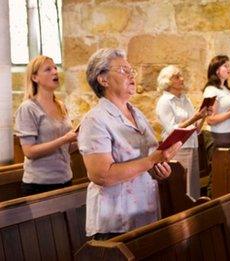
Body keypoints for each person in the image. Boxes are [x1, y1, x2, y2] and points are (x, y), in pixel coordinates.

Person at [78, 48, 181, 240]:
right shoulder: (95, 120)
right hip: (115, 221)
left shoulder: (137, 113)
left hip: (144, 213)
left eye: (131, 70)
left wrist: (159, 169)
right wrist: (151, 161)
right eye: (124, 70)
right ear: (103, 79)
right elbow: (101, 175)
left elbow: (146, 160)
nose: (132, 75)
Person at [14, 55, 77, 196]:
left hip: (65, 178)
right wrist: (65, 139)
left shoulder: (60, 105)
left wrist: (79, 139)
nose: (55, 72)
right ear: (35, 78)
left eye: (55, 68)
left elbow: (64, 148)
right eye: (48, 69)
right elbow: (29, 152)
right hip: (39, 185)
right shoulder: (28, 108)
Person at [156, 65, 212, 200]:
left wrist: (204, 115)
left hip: (192, 145)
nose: (182, 79)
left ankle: (194, 214)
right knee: (181, 188)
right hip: (177, 148)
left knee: (192, 187)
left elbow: (197, 129)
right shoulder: (164, 102)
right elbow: (172, 130)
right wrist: (195, 117)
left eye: (181, 76)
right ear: (167, 81)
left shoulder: (185, 99)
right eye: (177, 77)